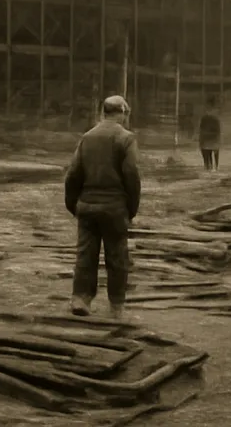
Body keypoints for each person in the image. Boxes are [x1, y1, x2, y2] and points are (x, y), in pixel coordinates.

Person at [64, 95, 141, 319]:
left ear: (103, 113)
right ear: (122, 113)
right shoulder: (126, 138)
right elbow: (131, 175)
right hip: (114, 207)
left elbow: (73, 174)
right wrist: (131, 208)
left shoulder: (87, 137)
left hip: (87, 206)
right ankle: (116, 306)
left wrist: (73, 205)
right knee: (117, 256)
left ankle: (81, 299)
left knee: (85, 254)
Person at [198, 96, 222, 171]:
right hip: (210, 140)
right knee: (209, 156)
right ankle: (212, 167)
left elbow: (202, 128)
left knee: (207, 157)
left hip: (209, 139)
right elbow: (202, 128)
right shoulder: (212, 115)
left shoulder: (209, 116)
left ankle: (210, 167)